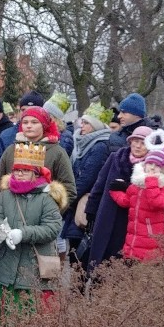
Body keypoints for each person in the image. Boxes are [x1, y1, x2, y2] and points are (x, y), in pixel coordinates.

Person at [0, 143, 66, 323]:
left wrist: (21, 233)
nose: (19, 174)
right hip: (9, 264)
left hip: (35, 266)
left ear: (36, 173)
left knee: (34, 321)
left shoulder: (46, 198)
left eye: (25, 170)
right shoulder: (5, 195)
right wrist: (1, 231)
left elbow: (52, 228)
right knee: (12, 321)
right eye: (17, 170)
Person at [84, 126, 153, 270]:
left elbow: (152, 193)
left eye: (143, 142)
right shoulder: (116, 157)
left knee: (123, 262)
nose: (138, 146)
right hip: (108, 215)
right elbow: (100, 183)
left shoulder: (153, 165)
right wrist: (91, 209)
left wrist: (127, 187)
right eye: (135, 141)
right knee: (101, 259)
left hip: (133, 221)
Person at [0, 106, 76, 210]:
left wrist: (50, 216)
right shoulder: (11, 150)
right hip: (11, 217)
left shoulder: (57, 152)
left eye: (34, 122)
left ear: (44, 125)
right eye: (25, 122)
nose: (29, 126)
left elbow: (69, 190)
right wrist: (5, 210)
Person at [108, 140, 164, 262]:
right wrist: (115, 191)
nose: (152, 167)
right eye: (149, 163)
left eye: (157, 165)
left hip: (151, 242)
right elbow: (127, 202)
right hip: (132, 241)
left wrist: (151, 181)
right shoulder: (137, 184)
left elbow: (158, 203)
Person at [59, 103, 112, 263]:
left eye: (87, 123)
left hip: (84, 207)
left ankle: (77, 288)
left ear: (95, 126)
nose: (82, 125)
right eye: (82, 122)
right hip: (76, 204)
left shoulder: (100, 146)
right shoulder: (83, 143)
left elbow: (86, 178)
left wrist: (65, 202)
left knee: (78, 256)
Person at [0, 91, 45, 161]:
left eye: (33, 110)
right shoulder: (6, 135)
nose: (27, 113)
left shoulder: (49, 137)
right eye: (23, 110)